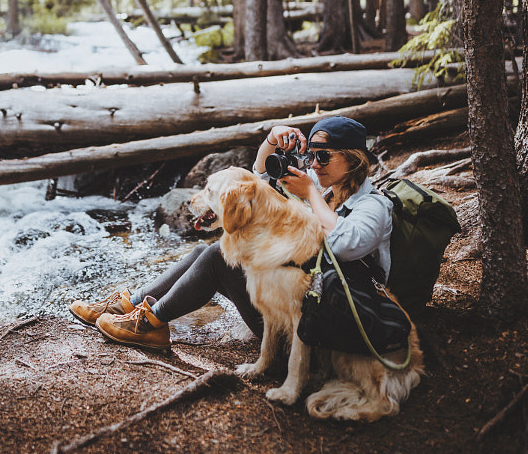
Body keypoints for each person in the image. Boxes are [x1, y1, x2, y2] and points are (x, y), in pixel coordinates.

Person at [68, 115, 392, 351]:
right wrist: (271, 140)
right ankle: (133, 306)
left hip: (321, 329)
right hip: (293, 306)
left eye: (324, 157)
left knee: (217, 258)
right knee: (203, 252)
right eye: (312, 156)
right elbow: (258, 180)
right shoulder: (324, 187)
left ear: (353, 160)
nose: (315, 165)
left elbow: (346, 245)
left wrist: (310, 195)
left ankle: (152, 325)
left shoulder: (373, 207)